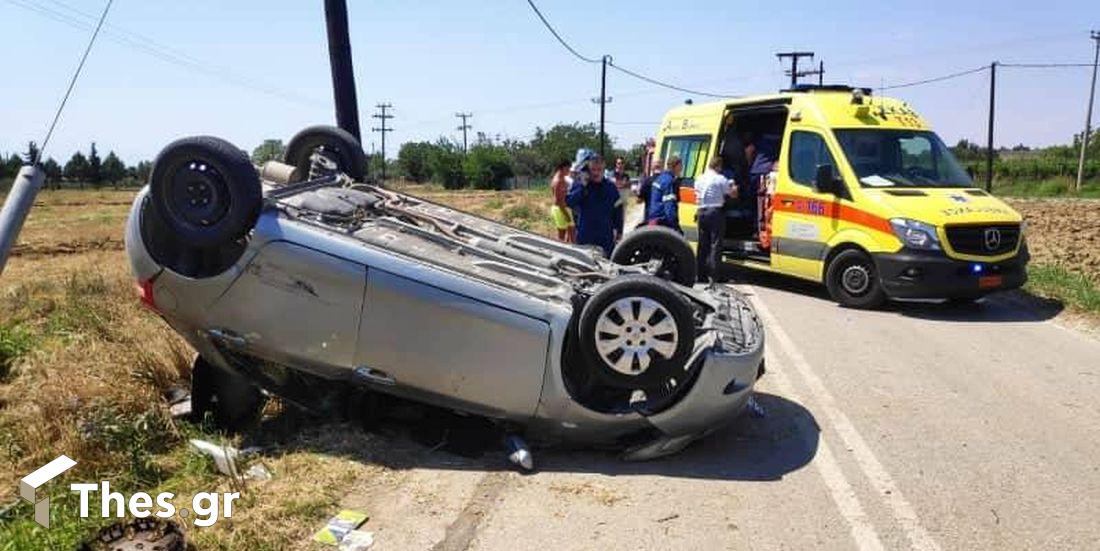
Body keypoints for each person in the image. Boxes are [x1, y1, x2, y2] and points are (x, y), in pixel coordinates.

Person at [566, 149, 623, 257]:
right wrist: (582, 186)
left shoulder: (611, 187)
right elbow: (570, 202)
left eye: (599, 169)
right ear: (588, 169)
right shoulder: (581, 185)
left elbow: (618, 210)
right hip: (585, 236)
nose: (596, 172)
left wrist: (619, 230)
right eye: (593, 169)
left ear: (603, 169)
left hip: (605, 237)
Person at [694, 155, 738, 283]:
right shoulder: (721, 179)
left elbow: (695, 193)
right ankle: (714, 276)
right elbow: (733, 194)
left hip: (701, 212)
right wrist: (733, 186)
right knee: (715, 245)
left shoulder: (699, 178)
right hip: (715, 213)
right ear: (719, 166)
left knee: (702, 245)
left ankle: (700, 275)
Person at [645, 155, 682, 233]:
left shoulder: (660, 178)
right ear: (676, 166)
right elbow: (669, 206)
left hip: (653, 220)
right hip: (662, 223)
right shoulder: (669, 181)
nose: (681, 168)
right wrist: (675, 227)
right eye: (680, 166)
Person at [548, 160, 575, 243]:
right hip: (561, 209)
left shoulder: (561, 179)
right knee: (564, 235)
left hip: (562, 208)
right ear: (563, 168)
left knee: (569, 233)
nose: (569, 170)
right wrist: (566, 214)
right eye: (568, 168)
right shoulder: (559, 181)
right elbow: (559, 200)